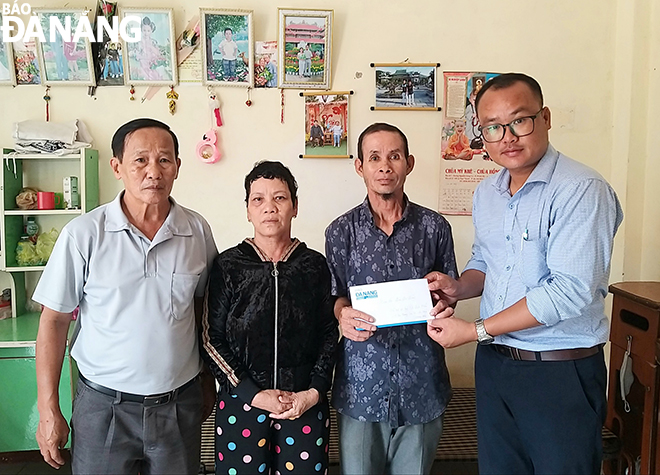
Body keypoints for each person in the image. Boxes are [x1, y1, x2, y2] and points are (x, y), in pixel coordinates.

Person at [425, 73, 623, 474]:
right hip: (497, 367)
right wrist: (458, 287)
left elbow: (568, 290)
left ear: (545, 117)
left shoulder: (581, 189)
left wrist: (475, 330)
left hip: (558, 369)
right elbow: (487, 261)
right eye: (493, 128)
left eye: (520, 121)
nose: (508, 137)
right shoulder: (488, 193)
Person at [33, 118, 218, 475]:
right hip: (104, 407)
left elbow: (202, 310)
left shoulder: (196, 230)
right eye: (140, 160)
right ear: (117, 167)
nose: (153, 171)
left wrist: (207, 380)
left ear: (178, 167)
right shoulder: (84, 234)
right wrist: (48, 409)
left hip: (178, 405)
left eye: (164, 160)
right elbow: (54, 321)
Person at [325, 123, 458, 475]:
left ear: (409, 163)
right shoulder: (341, 231)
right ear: (360, 166)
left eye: (394, 156)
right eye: (374, 157)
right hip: (361, 386)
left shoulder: (435, 228)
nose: (385, 166)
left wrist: (446, 302)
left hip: (421, 382)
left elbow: (450, 294)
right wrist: (342, 314)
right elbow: (334, 295)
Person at [201, 161, 338, 475]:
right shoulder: (229, 265)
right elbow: (211, 339)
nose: (269, 208)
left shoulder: (314, 265)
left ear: (295, 207)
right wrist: (253, 393)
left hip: (302, 404)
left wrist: (314, 392)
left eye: (280, 198)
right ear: (247, 210)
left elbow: (329, 334)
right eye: (258, 199)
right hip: (242, 403)